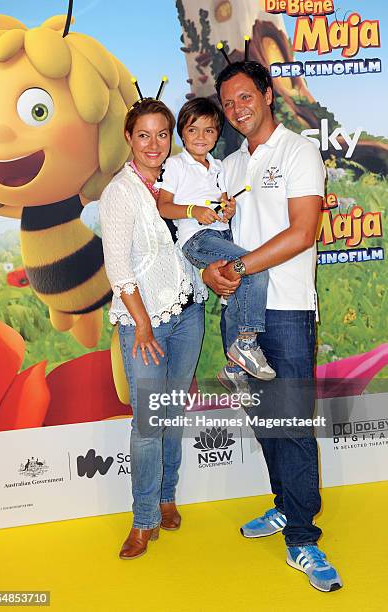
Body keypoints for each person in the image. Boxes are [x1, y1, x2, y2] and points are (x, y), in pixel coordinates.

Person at [203, 60, 343, 592]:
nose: (237, 109)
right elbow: (223, 237)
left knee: (292, 423)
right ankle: (286, 507)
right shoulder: (232, 165)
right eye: (228, 102)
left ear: (266, 95)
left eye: (245, 97)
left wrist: (237, 267)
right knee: (265, 421)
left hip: (286, 310)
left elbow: (303, 231)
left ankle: (304, 538)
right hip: (242, 314)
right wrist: (213, 270)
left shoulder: (299, 151)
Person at [99, 98, 207, 560]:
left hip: (188, 315)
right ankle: (142, 520)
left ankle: (167, 497)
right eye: (144, 135)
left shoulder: (176, 178)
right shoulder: (120, 193)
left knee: (172, 414)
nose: (154, 144)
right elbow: (118, 269)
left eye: (162, 134)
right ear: (129, 138)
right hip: (145, 325)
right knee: (147, 426)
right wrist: (141, 325)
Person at [158, 97, 275, 384]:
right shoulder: (175, 165)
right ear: (181, 132)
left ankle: (234, 370)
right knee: (253, 267)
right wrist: (193, 211)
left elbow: (219, 206)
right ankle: (246, 344)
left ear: (217, 134)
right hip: (197, 240)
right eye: (193, 130)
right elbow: (163, 206)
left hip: (221, 233)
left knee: (238, 288)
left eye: (209, 130)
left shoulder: (218, 166)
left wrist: (227, 211)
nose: (201, 137)